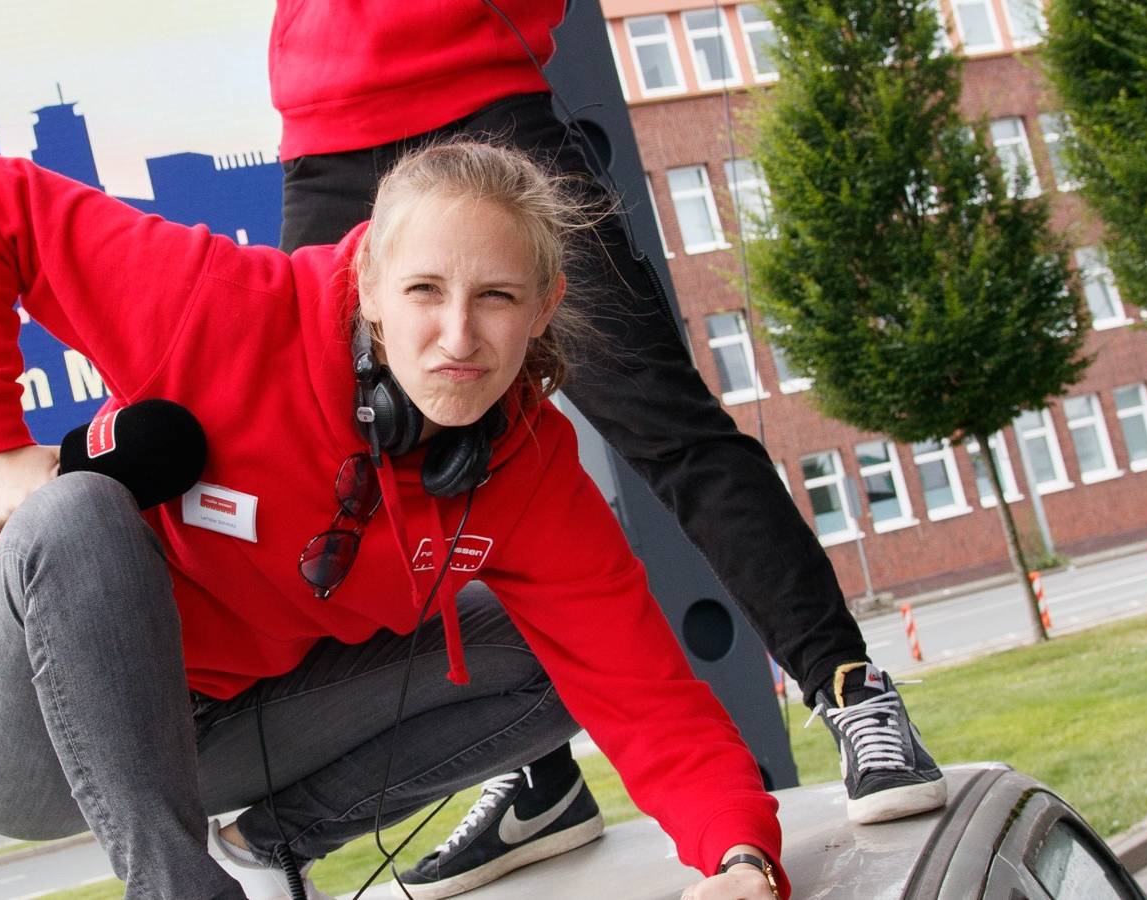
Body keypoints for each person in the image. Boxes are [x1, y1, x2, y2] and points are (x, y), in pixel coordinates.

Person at [0, 141, 789, 899]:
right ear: (369, 284)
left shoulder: (528, 469)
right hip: (13, 734)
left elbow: (649, 697)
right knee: (78, 509)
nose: (458, 337)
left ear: (544, 308)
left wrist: (743, 857)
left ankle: (270, 849)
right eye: (423, 290)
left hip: (210, 733)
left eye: (496, 298)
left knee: (553, 656)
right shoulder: (225, 308)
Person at [267, 2, 945, 895]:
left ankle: (852, 689)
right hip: (326, 133)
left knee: (665, 425)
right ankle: (539, 777)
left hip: (486, 105)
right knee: (358, 465)